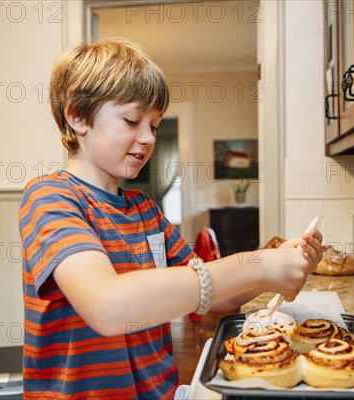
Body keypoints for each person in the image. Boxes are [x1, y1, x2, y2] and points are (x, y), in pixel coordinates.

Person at [18, 38, 323, 399]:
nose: (147, 138)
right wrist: (254, 266)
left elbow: (214, 298)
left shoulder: (145, 211)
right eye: (132, 120)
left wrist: (274, 266)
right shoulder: (50, 198)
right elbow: (107, 305)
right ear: (78, 117)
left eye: (155, 125)